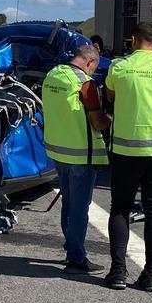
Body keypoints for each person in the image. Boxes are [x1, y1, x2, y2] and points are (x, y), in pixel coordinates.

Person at [104, 22, 152, 292]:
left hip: (127, 149)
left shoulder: (119, 66)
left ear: (132, 40)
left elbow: (110, 96)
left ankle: (118, 272)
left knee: (121, 207)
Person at [41, 44, 111, 275]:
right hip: (81, 155)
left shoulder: (53, 76)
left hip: (59, 153)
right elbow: (98, 122)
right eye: (95, 67)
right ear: (90, 62)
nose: (93, 72)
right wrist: (112, 116)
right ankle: (76, 259)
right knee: (79, 209)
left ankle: (71, 247)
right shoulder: (85, 84)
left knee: (69, 205)